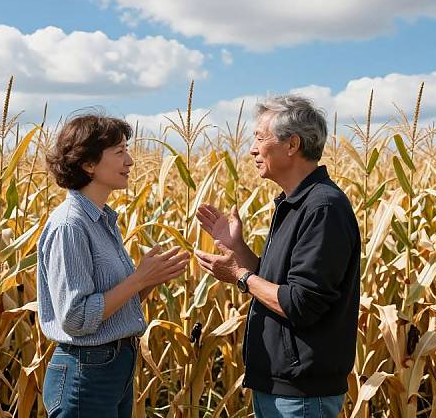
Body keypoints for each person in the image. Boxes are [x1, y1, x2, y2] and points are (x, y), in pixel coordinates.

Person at [195, 95, 360, 418]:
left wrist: (240, 277)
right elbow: (278, 283)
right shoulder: (295, 204)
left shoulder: (322, 209)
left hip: (301, 395)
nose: (252, 149)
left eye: (259, 138)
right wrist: (238, 249)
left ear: (292, 144)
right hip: (280, 388)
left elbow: (300, 302)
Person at [38, 113, 189, 418]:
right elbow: (76, 318)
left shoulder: (104, 220)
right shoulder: (70, 226)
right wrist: (138, 280)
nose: (130, 161)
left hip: (113, 368)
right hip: (86, 373)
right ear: (88, 164)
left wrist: (149, 280)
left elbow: (112, 306)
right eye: (119, 152)